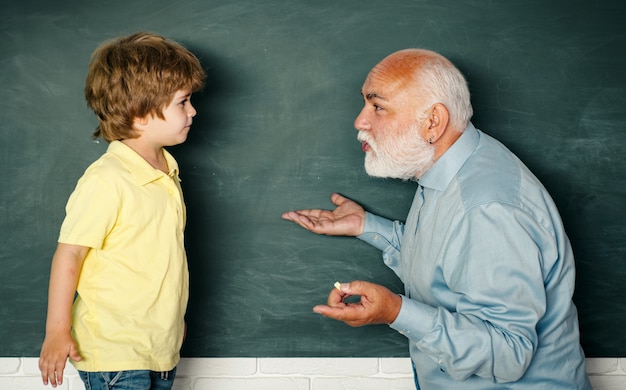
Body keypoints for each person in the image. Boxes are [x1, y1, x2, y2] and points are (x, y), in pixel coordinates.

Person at [282, 49, 591, 389]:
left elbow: (507, 353)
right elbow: (451, 262)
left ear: (432, 122)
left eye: (378, 107)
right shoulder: (456, 169)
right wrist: (367, 226)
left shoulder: (487, 209)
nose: (360, 121)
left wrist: (396, 312)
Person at [38, 32, 205, 389]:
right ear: (141, 113)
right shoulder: (107, 179)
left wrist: (172, 319)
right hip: (114, 353)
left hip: (159, 348)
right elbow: (70, 255)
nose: (192, 111)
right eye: (183, 102)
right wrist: (56, 330)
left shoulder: (166, 172)